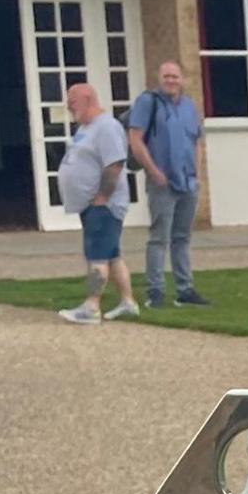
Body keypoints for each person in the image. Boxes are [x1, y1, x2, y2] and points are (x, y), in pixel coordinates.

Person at [127, 60, 210, 308]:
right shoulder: (147, 103)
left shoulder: (188, 106)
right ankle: (156, 292)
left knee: (182, 237)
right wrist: (153, 170)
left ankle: (185, 289)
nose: (171, 80)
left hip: (187, 181)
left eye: (175, 76)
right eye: (166, 76)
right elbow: (135, 139)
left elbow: (196, 141)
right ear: (159, 78)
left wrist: (196, 174)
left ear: (182, 79)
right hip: (161, 181)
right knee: (158, 238)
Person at [56, 82, 140, 324]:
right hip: (90, 204)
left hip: (104, 206)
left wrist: (103, 197)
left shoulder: (107, 127)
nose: (69, 108)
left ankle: (91, 306)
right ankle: (127, 301)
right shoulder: (86, 128)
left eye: (72, 103)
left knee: (96, 257)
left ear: (88, 98)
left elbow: (114, 164)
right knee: (111, 254)